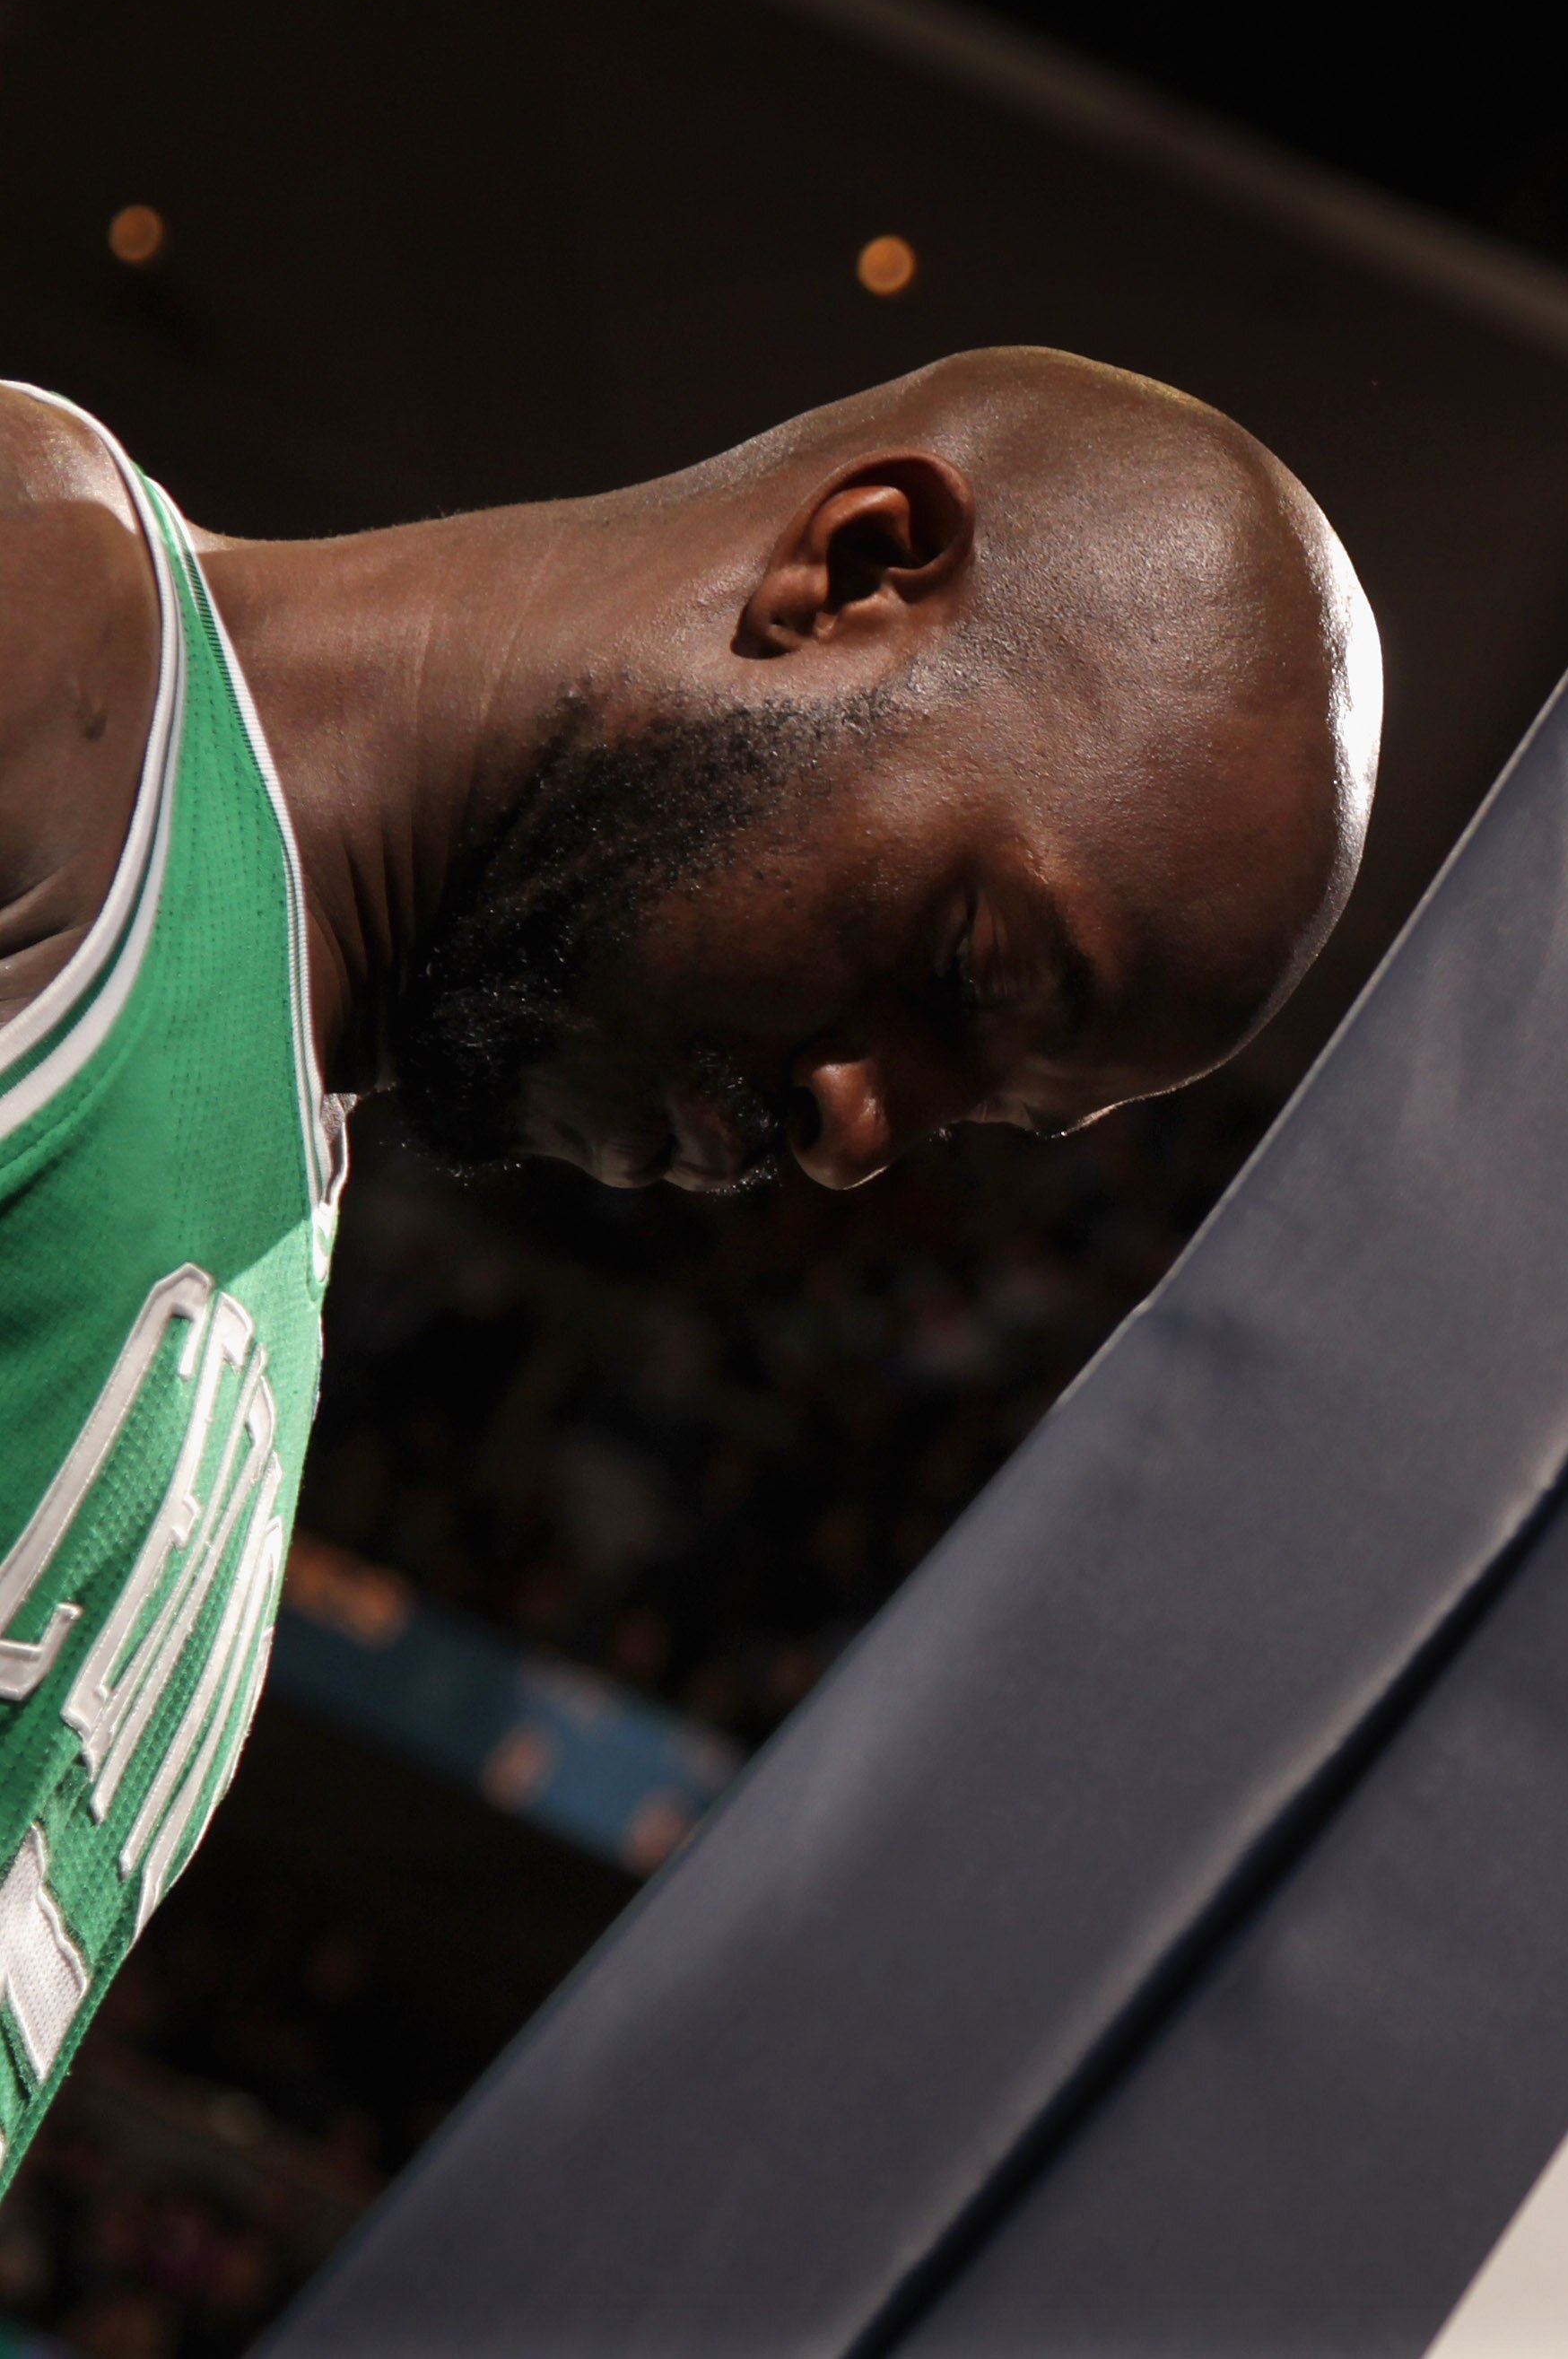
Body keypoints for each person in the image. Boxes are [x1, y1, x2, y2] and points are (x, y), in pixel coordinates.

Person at [0, 346, 1380, 2176]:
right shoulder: (48, 622)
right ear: (858, 568)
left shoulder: (271, 1234)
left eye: (973, 1120)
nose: (858, 1136)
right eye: (962, 973)